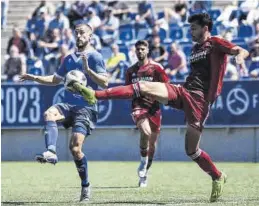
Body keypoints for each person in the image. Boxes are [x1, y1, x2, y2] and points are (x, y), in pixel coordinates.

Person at [69, 13, 249, 202]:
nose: (190, 32)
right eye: (189, 28)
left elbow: (241, 50)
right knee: (143, 87)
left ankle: (218, 176)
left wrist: (240, 58)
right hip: (184, 92)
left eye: (194, 28)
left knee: (192, 151)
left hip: (200, 102)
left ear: (205, 29)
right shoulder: (195, 48)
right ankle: (95, 94)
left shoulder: (216, 42)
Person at [19, 22, 108, 202]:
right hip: (68, 104)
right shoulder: (68, 59)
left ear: (90, 37)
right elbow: (55, 79)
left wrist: (89, 71)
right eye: (76, 33)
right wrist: (34, 77)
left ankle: (85, 186)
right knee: (48, 114)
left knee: (75, 148)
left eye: (82, 33)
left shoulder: (96, 57)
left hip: (86, 107)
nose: (79, 36)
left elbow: (105, 83)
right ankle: (51, 151)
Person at [125, 40, 169, 187]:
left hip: (154, 108)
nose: (140, 52)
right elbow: (127, 91)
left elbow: (166, 87)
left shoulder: (156, 68)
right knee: (146, 132)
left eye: (143, 49)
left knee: (152, 144)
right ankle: (143, 163)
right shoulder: (130, 71)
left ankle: (144, 171)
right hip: (138, 107)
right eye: (137, 49)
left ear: (148, 50)